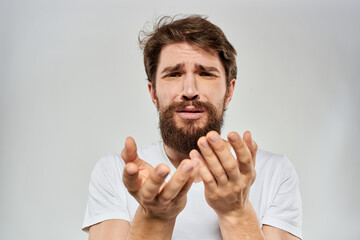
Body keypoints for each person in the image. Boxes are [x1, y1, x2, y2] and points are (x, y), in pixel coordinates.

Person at [82, 15, 302, 240]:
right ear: (153, 93)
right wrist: (154, 219)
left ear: (229, 92)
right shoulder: (115, 172)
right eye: (174, 74)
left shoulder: (276, 173)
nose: (189, 90)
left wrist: (236, 212)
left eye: (206, 74)